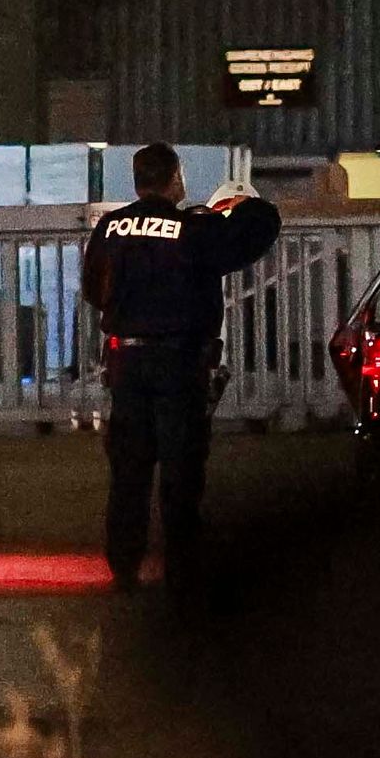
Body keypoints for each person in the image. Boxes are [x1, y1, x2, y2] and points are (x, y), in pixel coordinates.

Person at [79, 144, 281, 593]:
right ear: (175, 179)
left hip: (127, 361)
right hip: (179, 361)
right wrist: (247, 205)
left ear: (137, 181)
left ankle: (124, 566)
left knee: (129, 465)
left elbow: (94, 289)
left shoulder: (111, 229)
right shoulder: (191, 227)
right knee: (181, 465)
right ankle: (182, 565)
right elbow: (253, 236)